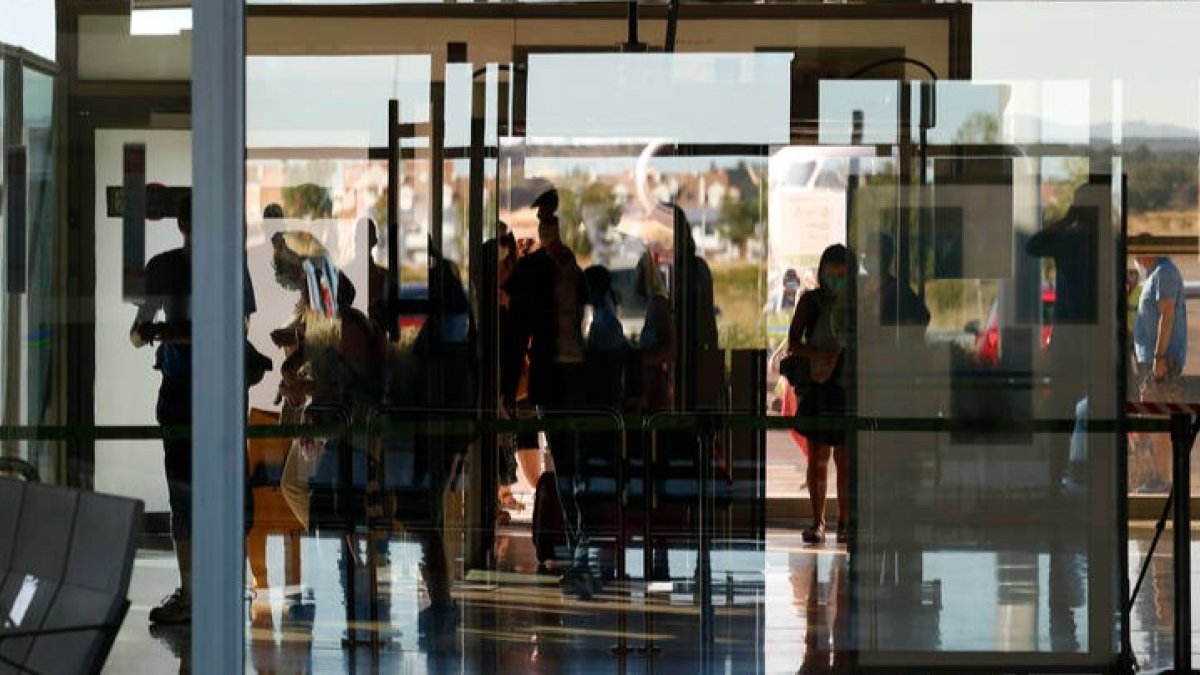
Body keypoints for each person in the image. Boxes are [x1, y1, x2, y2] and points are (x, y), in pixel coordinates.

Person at [131, 195, 258, 625]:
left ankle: (207, 590)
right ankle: (199, 590)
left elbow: (232, 330)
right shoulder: (181, 266)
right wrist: (159, 333)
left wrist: (166, 334)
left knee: (200, 490)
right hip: (190, 388)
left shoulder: (221, 265)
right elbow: (140, 331)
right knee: (189, 490)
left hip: (205, 387)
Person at [504, 187, 594, 598]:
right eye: (545, 221)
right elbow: (521, 330)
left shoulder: (568, 266)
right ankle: (579, 547)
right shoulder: (548, 267)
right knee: (566, 463)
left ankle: (582, 548)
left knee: (574, 465)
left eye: (550, 221)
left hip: (570, 377)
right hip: (559, 378)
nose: (547, 227)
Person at [787, 244, 853, 544]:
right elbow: (793, 342)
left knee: (845, 458)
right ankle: (818, 520)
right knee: (817, 457)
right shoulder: (810, 302)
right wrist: (818, 354)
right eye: (831, 274)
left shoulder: (855, 305)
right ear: (821, 272)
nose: (835, 281)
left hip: (844, 384)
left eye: (842, 275)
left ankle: (845, 521)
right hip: (819, 384)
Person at [1133, 253, 1188, 493]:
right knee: (1152, 420)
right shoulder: (1154, 273)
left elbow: (1167, 313)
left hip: (1161, 363)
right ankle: (1158, 478)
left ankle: (1162, 481)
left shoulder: (1164, 271)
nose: (1135, 255)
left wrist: (1159, 358)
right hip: (1154, 362)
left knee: (1160, 423)